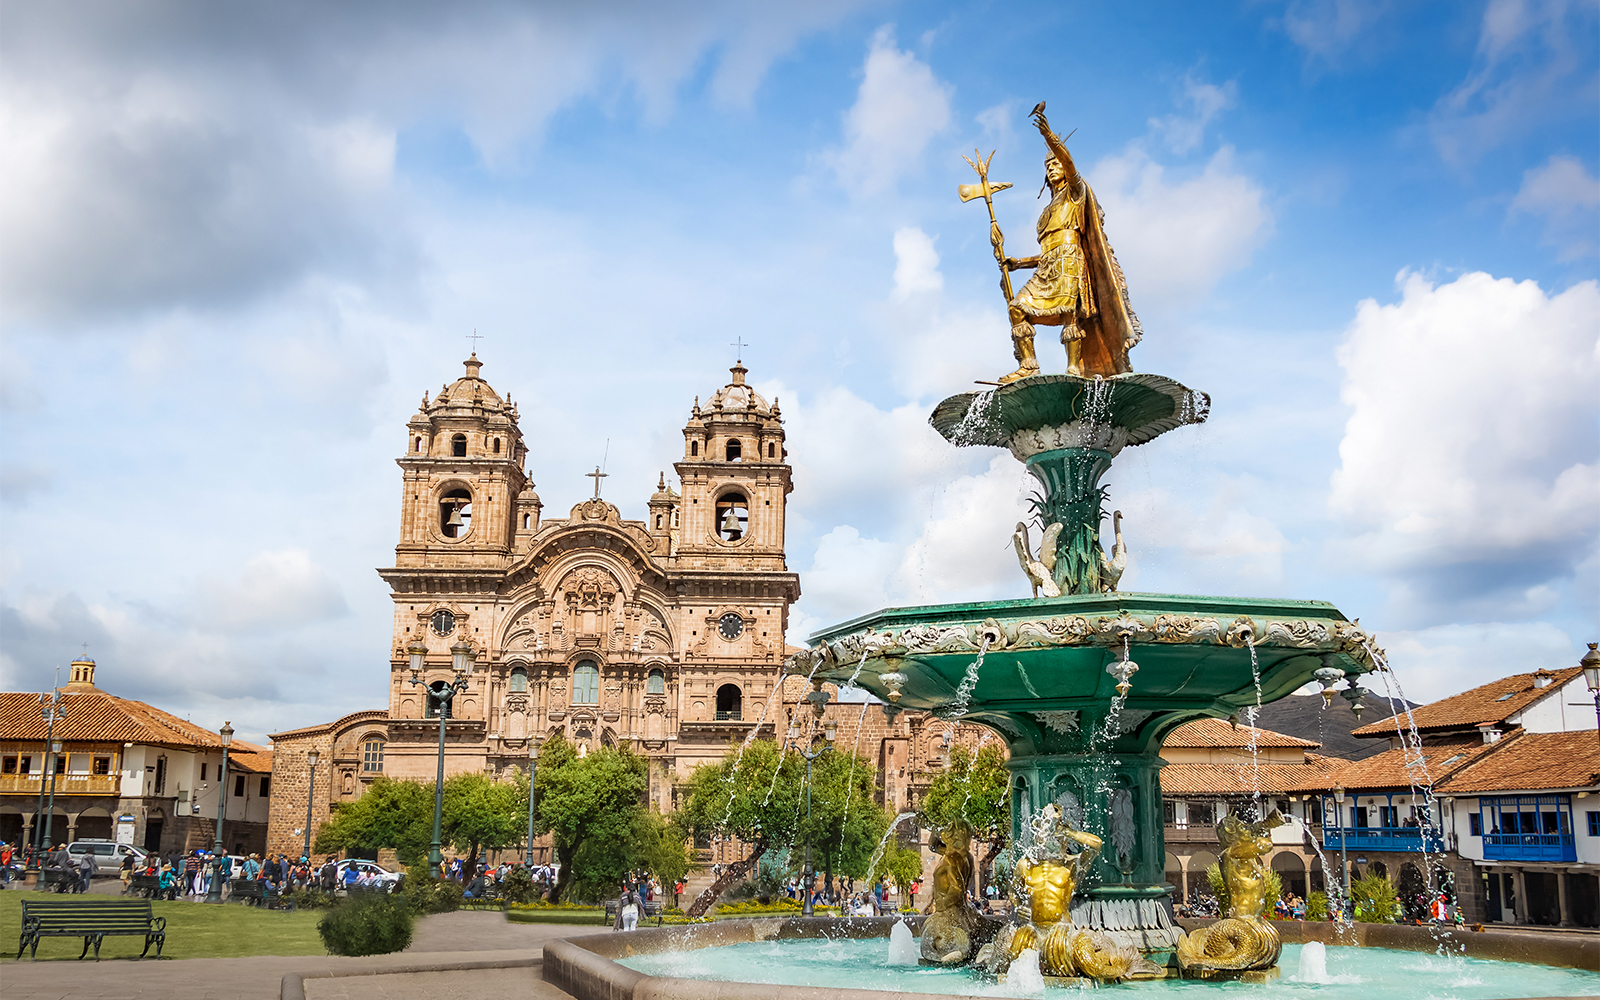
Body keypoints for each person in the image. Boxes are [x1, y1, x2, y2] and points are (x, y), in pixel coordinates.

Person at [996, 103, 1141, 384]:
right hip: (1049, 265)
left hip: (1070, 263)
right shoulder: (1048, 210)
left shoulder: (1075, 193)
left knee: (1068, 314)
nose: (1052, 169)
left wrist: (1050, 138)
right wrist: (1018, 263)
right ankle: (1028, 364)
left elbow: (1071, 164)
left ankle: (1075, 368)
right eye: (1047, 166)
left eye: (1055, 164)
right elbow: (1048, 250)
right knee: (1017, 307)